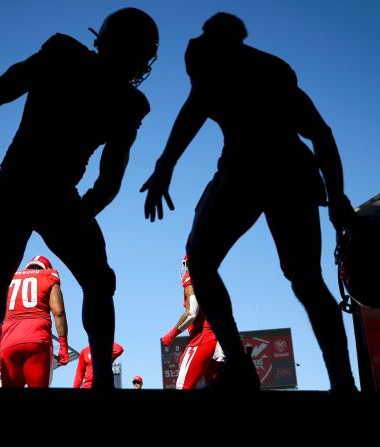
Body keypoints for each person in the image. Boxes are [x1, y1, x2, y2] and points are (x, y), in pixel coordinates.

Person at [0, 8, 159, 389]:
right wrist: (83, 211)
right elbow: (110, 178)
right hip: (53, 191)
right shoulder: (125, 99)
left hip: (22, 181)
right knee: (95, 280)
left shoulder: (66, 56)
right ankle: (103, 379)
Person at [141, 12, 357, 392]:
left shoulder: (234, 66)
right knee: (303, 279)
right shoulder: (264, 70)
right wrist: (336, 194)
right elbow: (320, 133)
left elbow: (192, 112)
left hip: (255, 169)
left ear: (224, 40)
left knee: (208, 259)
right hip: (283, 170)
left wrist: (164, 167)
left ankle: (247, 367)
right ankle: (340, 378)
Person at [0, 255, 70, 387]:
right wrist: (63, 346)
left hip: (9, 343)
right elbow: (59, 312)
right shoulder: (48, 275)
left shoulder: (9, 279)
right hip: (37, 341)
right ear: (45, 268)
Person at [161, 255, 220, 389]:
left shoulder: (192, 276)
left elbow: (192, 313)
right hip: (217, 339)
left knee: (182, 387)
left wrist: (171, 335)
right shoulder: (211, 279)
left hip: (202, 338)